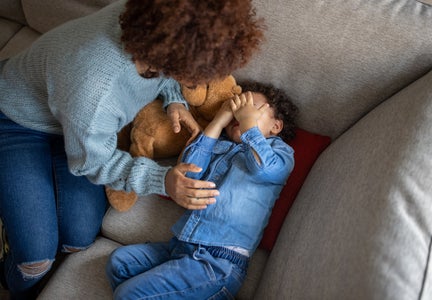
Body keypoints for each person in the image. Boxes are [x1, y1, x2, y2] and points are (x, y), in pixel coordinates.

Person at [0, 0, 264, 298]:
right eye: (196, 74)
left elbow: (161, 73)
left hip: (75, 127)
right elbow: (91, 163)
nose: (201, 81)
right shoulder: (95, 86)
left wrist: (174, 98)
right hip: (15, 121)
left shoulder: (153, 26)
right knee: (35, 261)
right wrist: (161, 179)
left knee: (78, 238)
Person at [106, 81, 299, 299]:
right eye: (236, 108)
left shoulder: (281, 153)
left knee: (127, 294)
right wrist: (218, 122)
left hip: (218, 263)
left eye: (251, 108)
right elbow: (188, 175)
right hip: (181, 248)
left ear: (276, 126)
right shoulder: (220, 145)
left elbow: (262, 167)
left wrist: (249, 125)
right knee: (119, 263)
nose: (240, 113)